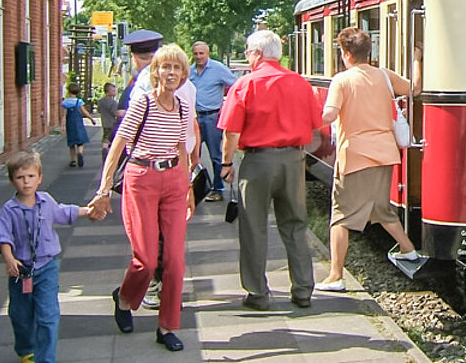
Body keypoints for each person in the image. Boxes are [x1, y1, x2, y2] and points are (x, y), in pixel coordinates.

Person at [88, 44, 194, 352]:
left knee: (175, 261)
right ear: (155, 71)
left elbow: (182, 150)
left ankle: (167, 327)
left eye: (177, 68)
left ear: (183, 75)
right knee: (146, 260)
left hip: (174, 180)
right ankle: (124, 298)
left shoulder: (184, 108)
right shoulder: (143, 103)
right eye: (165, 67)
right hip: (142, 179)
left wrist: (187, 188)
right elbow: (118, 145)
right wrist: (104, 190)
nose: (171, 73)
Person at [218, 29, 321, 310]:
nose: (247, 58)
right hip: (293, 160)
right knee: (296, 225)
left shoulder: (245, 85)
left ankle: (258, 293)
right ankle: (303, 290)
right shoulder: (301, 83)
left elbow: (231, 132)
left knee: (253, 227)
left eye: (248, 52)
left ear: (257, 54)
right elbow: (315, 123)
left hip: (257, 162)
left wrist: (227, 164)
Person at [316, 27, 419, 293]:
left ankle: (335, 275)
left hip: (356, 155)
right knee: (380, 208)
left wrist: (303, 116)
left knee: (340, 216)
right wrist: (417, 59)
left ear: (346, 54)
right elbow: (414, 89)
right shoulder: (384, 75)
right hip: (385, 152)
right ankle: (408, 250)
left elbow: (329, 115)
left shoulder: (342, 80)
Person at [125, 31, 201, 310]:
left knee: (152, 233)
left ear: (136, 57)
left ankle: (155, 286)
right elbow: (193, 125)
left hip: (151, 167)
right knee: (170, 234)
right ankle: (163, 287)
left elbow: (130, 131)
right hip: (178, 165)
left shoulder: (145, 82)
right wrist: (194, 158)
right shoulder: (189, 85)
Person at [0, 151, 92, 363]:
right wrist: (9, 259)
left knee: (48, 315)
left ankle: (45, 359)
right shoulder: (9, 210)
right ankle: (26, 348)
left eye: (30, 176)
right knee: (20, 316)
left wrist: (86, 210)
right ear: (12, 181)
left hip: (47, 266)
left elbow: (62, 212)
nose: (26, 182)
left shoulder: (46, 201)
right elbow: (4, 238)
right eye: (20, 177)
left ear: (39, 178)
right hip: (21, 271)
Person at [189, 41, 237, 202]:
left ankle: (218, 189)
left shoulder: (218, 69)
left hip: (212, 117)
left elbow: (236, 86)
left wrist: (227, 107)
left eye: (201, 53)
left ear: (207, 53)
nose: (198, 57)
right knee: (191, 154)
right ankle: (192, 191)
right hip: (194, 118)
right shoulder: (190, 72)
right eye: (195, 54)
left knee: (216, 155)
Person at [61, 83, 96, 167]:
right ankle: (80, 152)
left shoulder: (66, 102)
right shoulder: (79, 101)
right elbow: (84, 112)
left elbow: (64, 116)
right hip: (78, 123)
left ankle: (73, 160)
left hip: (70, 123)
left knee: (71, 143)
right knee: (80, 141)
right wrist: (91, 119)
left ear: (69, 92)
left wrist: (63, 126)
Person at [97, 83, 118, 162]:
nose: (115, 92)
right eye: (113, 90)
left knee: (105, 138)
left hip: (105, 123)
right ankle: (109, 154)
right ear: (108, 92)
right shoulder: (113, 103)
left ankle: (104, 149)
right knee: (113, 139)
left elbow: (99, 110)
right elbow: (115, 113)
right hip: (112, 123)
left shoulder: (101, 101)